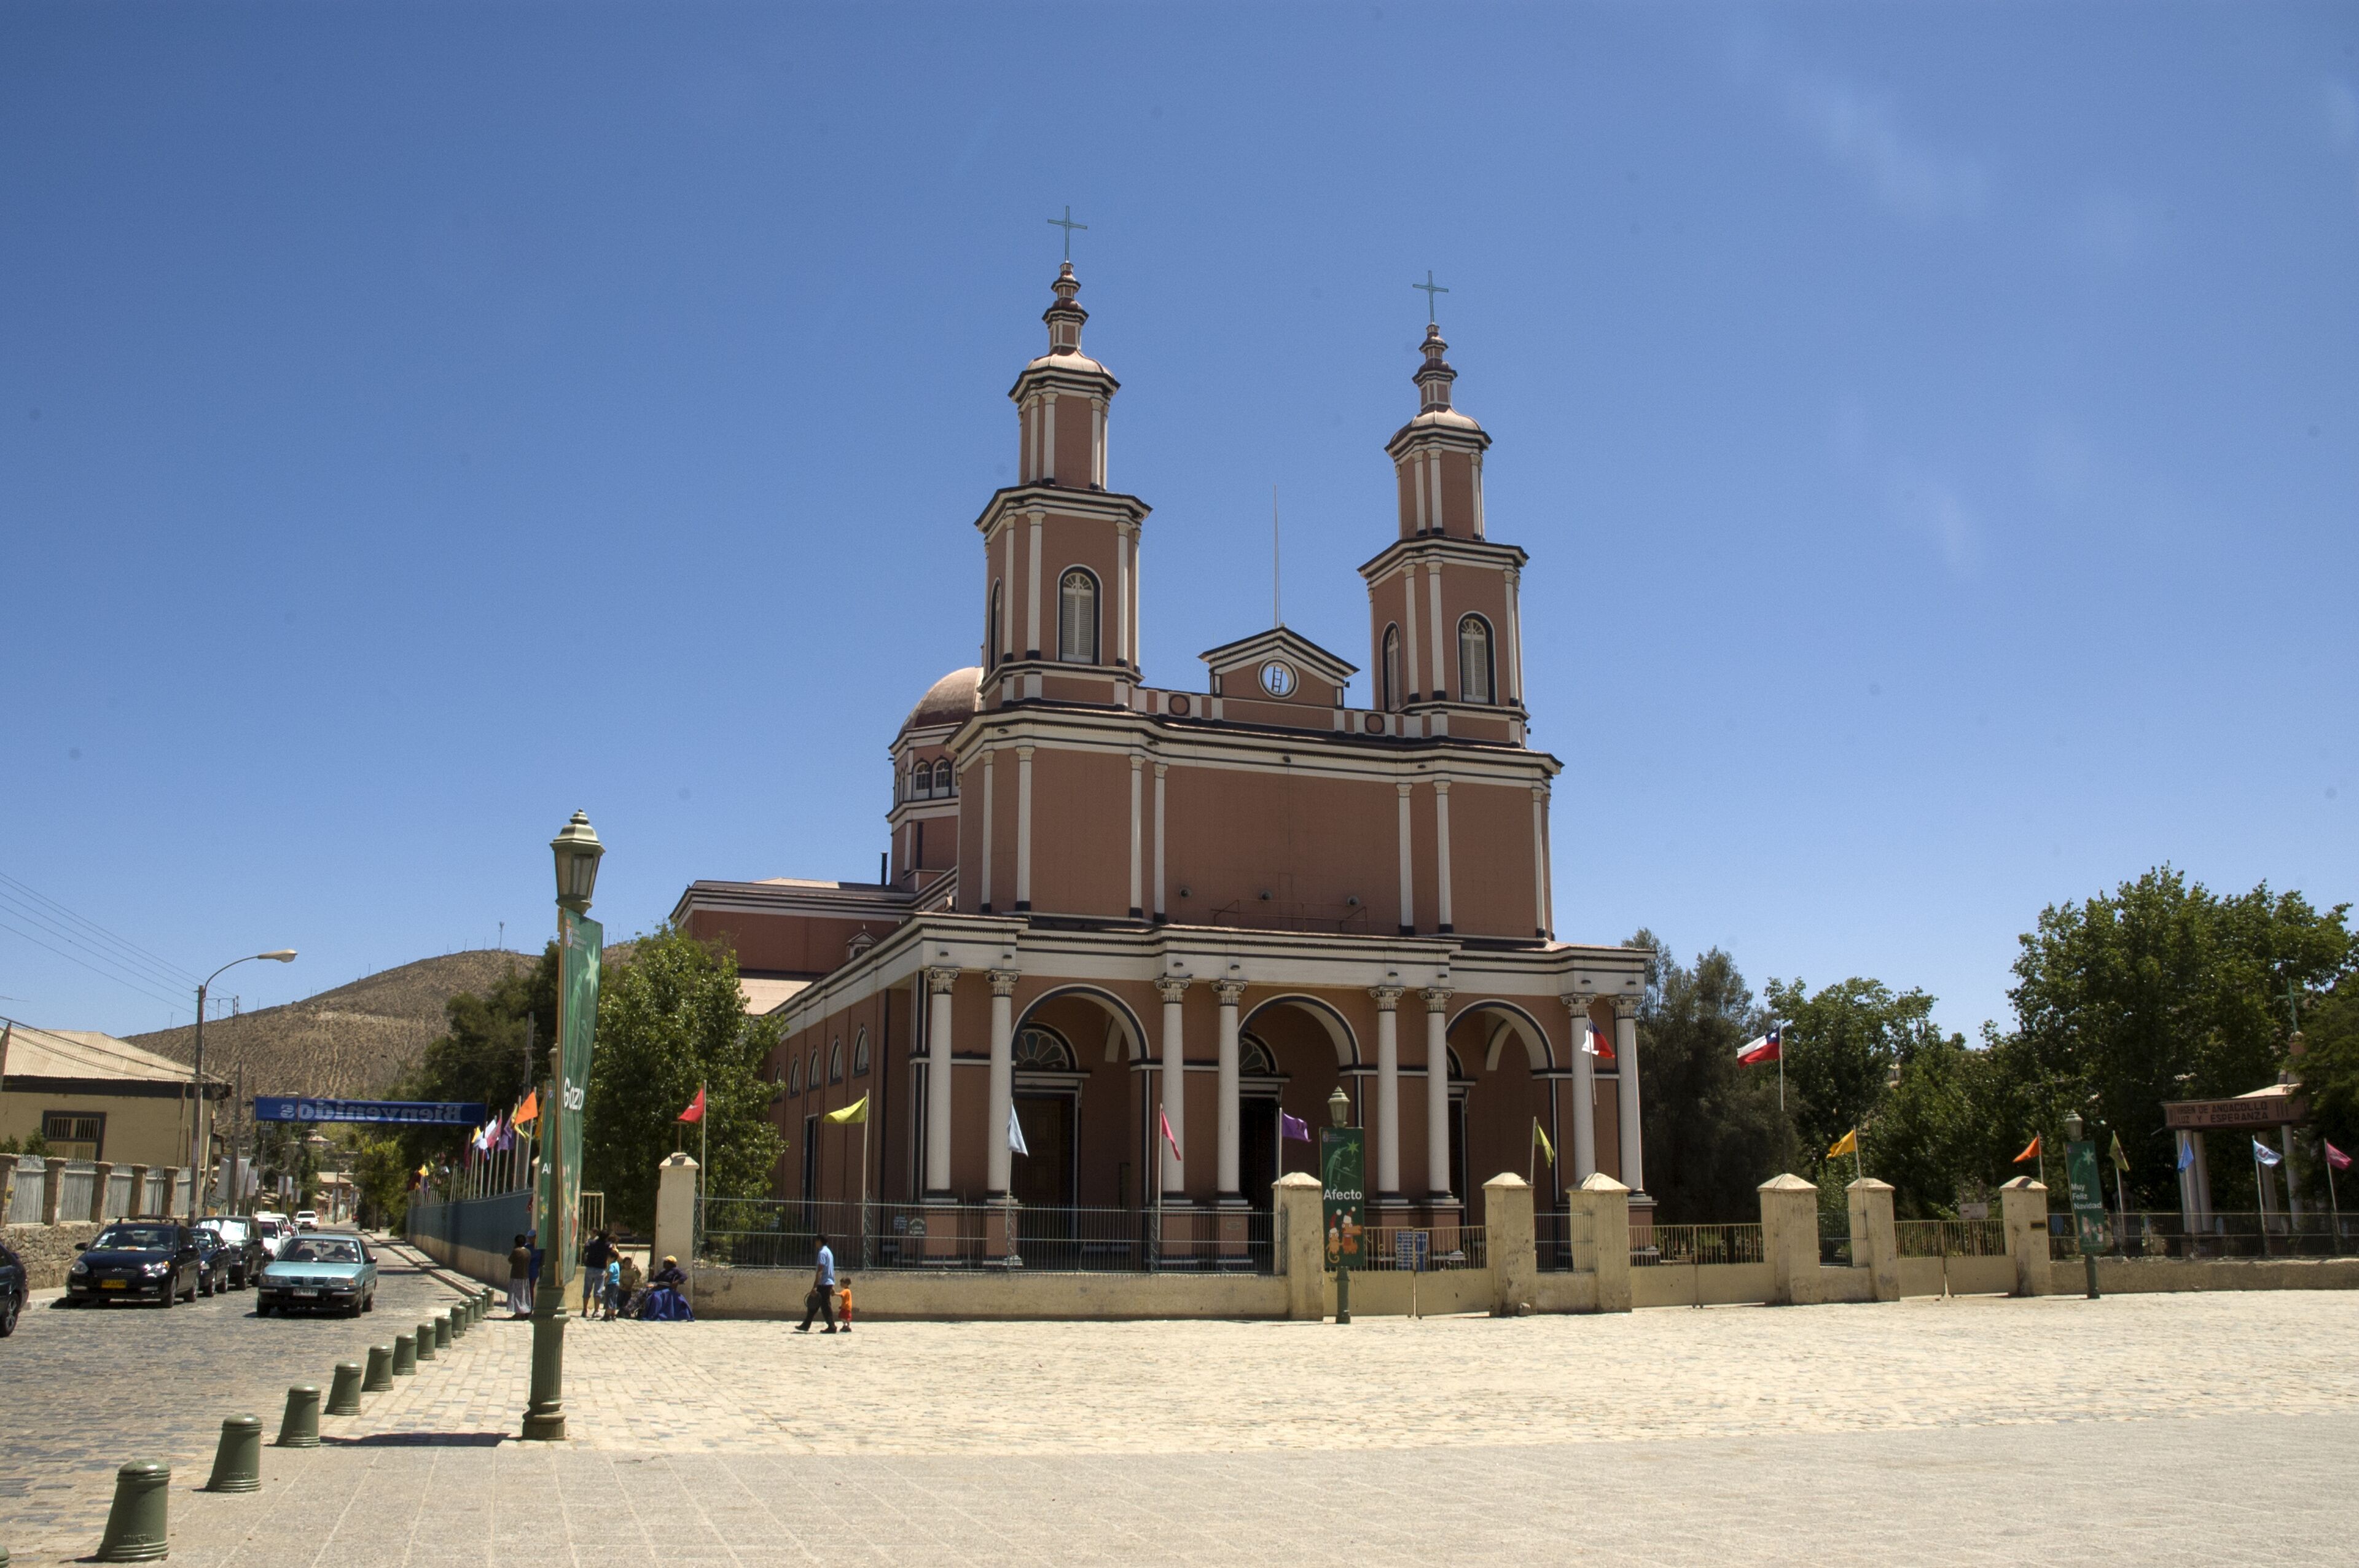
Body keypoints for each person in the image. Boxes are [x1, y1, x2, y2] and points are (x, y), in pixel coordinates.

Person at [797, 1233, 838, 1333]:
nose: (815, 1243)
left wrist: (815, 1286)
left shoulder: (822, 1253)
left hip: (823, 1283)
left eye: (816, 1241)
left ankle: (832, 1326)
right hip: (827, 1282)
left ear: (819, 1240)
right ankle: (806, 1325)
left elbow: (820, 1270)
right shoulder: (829, 1252)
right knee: (814, 1305)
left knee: (824, 1306)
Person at [507, 1233, 532, 1318]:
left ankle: (518, 1313)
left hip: (516, 1276)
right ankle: (524, 1312)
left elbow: (510, 1260)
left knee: (516, 1295)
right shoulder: (528, 1252)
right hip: (525, 1277)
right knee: (523, 1296)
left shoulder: (516, 1251)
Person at [602, 1254, 622, 1320]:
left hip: (611, 1284)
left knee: (609, 1299)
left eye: (609, 1257)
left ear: (613, 1258)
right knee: (614, 1299)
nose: (607, 1259)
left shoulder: (612, 1265)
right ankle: (613, 1314)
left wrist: (606, 1282)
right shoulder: (617, 1264)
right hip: (617, 1284)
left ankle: (607, 1314)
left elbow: (609, 1274)